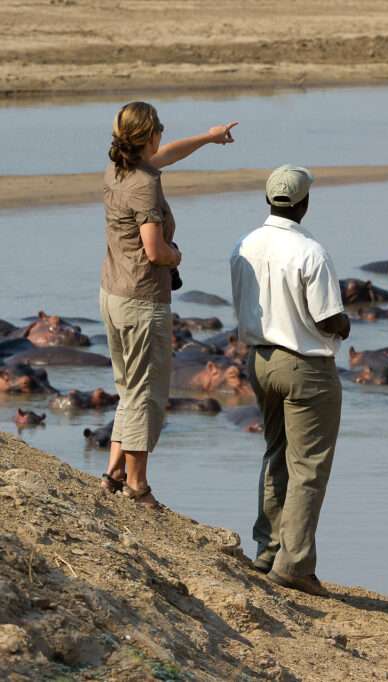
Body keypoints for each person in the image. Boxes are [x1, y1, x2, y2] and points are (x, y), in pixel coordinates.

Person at [100, 101, 237, 509]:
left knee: (129, 388)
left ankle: (114, 472)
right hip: (142, 299)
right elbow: (155, 251)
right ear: (149, 136)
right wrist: (177, 257)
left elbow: (167, 154)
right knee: (148, 395)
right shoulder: (143, 184)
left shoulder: (119, 167)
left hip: (113, 294)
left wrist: (208, 139)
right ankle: (137, 485)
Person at [230, 166, 350, 597]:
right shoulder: (310, 252)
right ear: (304, 204)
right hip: (305, 366)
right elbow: (327, 318)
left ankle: (269, 548)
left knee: (276, 452)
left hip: (260, 360)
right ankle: (295, 563)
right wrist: (346, 322)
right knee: (309, 466)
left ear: (268, 199)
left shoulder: (243, 244)